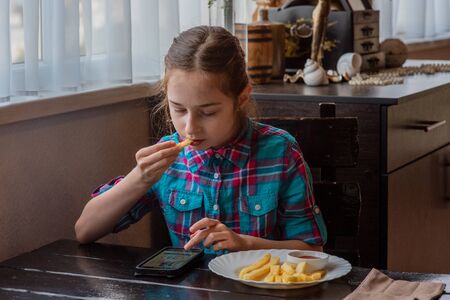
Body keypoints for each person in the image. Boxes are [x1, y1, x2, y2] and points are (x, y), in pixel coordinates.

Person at [75, 25, 327, 254]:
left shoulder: (281, 152)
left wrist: (246, 244)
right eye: (179, 109)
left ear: (241, 98)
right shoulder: (167, 161)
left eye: (208, 112)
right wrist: (139, 178)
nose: (190, 127)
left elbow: (313, 250)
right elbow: (84, 231)